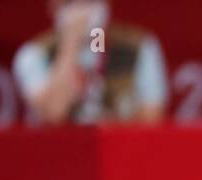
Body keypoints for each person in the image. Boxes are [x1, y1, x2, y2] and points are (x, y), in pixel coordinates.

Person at [13, 0, 168, 124]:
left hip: (122, 153)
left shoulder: (140, 47)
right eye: (71, 2)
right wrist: (71, 43)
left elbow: (152, 119)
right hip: (58, 155)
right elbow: (53, 112)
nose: (82, 9)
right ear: (53, 5)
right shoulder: (33, 55)